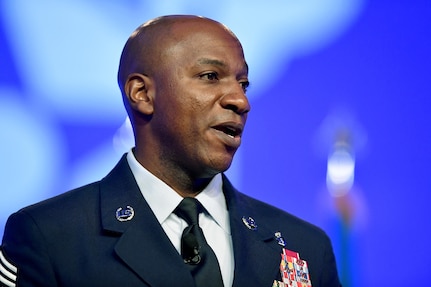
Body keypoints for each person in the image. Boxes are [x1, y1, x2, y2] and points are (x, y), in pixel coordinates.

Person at [0, 15, 341, 287]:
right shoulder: (49, 236)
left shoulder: (307, 247)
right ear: (142, 94)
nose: (240, 101)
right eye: (210, 76)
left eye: (243, 83)